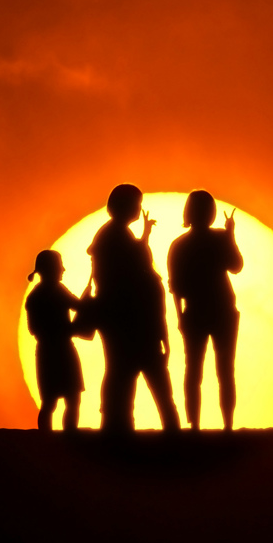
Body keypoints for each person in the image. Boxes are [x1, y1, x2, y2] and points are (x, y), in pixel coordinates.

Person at [87, 184, 181, 434]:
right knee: (145, 376)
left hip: (121, 317)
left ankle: (118, 428)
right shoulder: (114, 236)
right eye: (136, 204)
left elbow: (135, 263)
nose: (139, 209)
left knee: (121, 375)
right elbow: (136, 271)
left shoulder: (111, 235)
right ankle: (166, 432)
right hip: (130, 319)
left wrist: (144, 236)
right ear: (127, 206)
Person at [167, 190, 244, 431]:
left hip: (197, 312)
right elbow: (237, 266)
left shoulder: (179, 245)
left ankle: (195, 426)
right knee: (224, 370)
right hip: (221, 310)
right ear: (211, 213)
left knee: (195, 371)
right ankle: (227, 426)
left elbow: (175, 287)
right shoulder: (219, 238)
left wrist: (180, 317)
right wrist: (230, 235)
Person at [25, 250, 85, 431]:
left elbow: (33, 329)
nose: (63, 270)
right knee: (68, 399)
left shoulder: (36, 296)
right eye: (60, 266)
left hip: (48, 352)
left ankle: (49, 439)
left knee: (52, 402)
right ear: (51, 268)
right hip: (60, 351)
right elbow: (79, 306)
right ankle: (68, 437)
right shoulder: (56, 292)